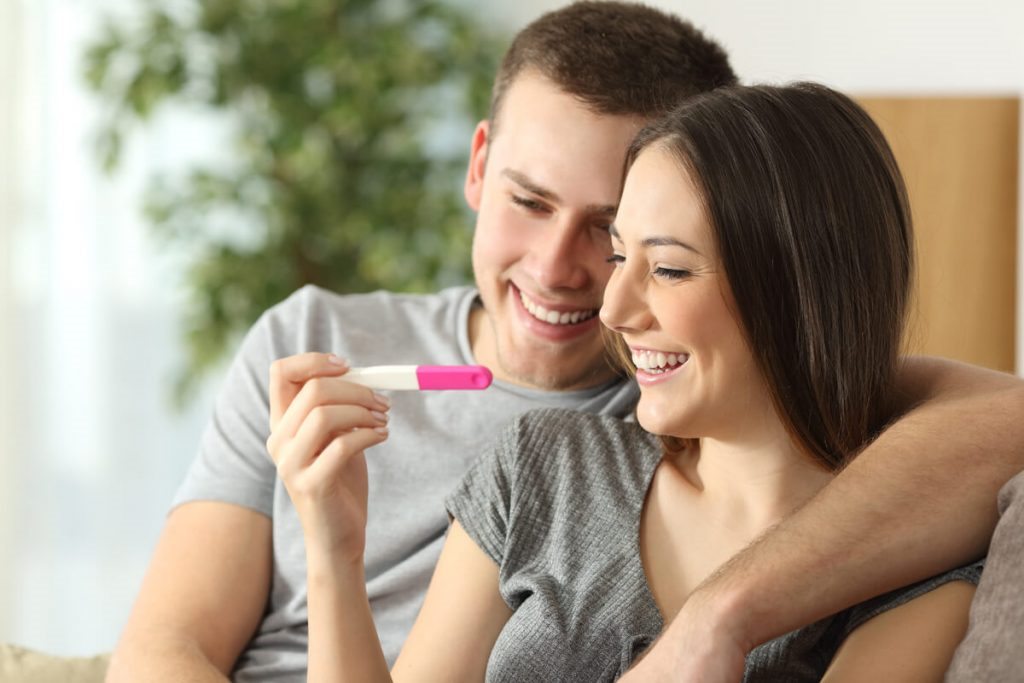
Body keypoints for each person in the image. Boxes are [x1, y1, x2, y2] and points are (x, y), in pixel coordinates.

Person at [107, 3, 1024, 681]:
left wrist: (721, 617)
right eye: (530, 201)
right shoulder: (333, 347)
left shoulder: (872, 514)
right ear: (478, 165)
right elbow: (158, 647)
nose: (574, 279)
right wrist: (332, 546)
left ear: (788, 286)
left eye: (623, 242)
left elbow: (965, 414)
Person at [282, 81, 985, 681]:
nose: (614, 310)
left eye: (670, 269)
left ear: (805, 293)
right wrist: (336, 554)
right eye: (620, 257)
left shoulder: (913, 567)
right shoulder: (545, 468)